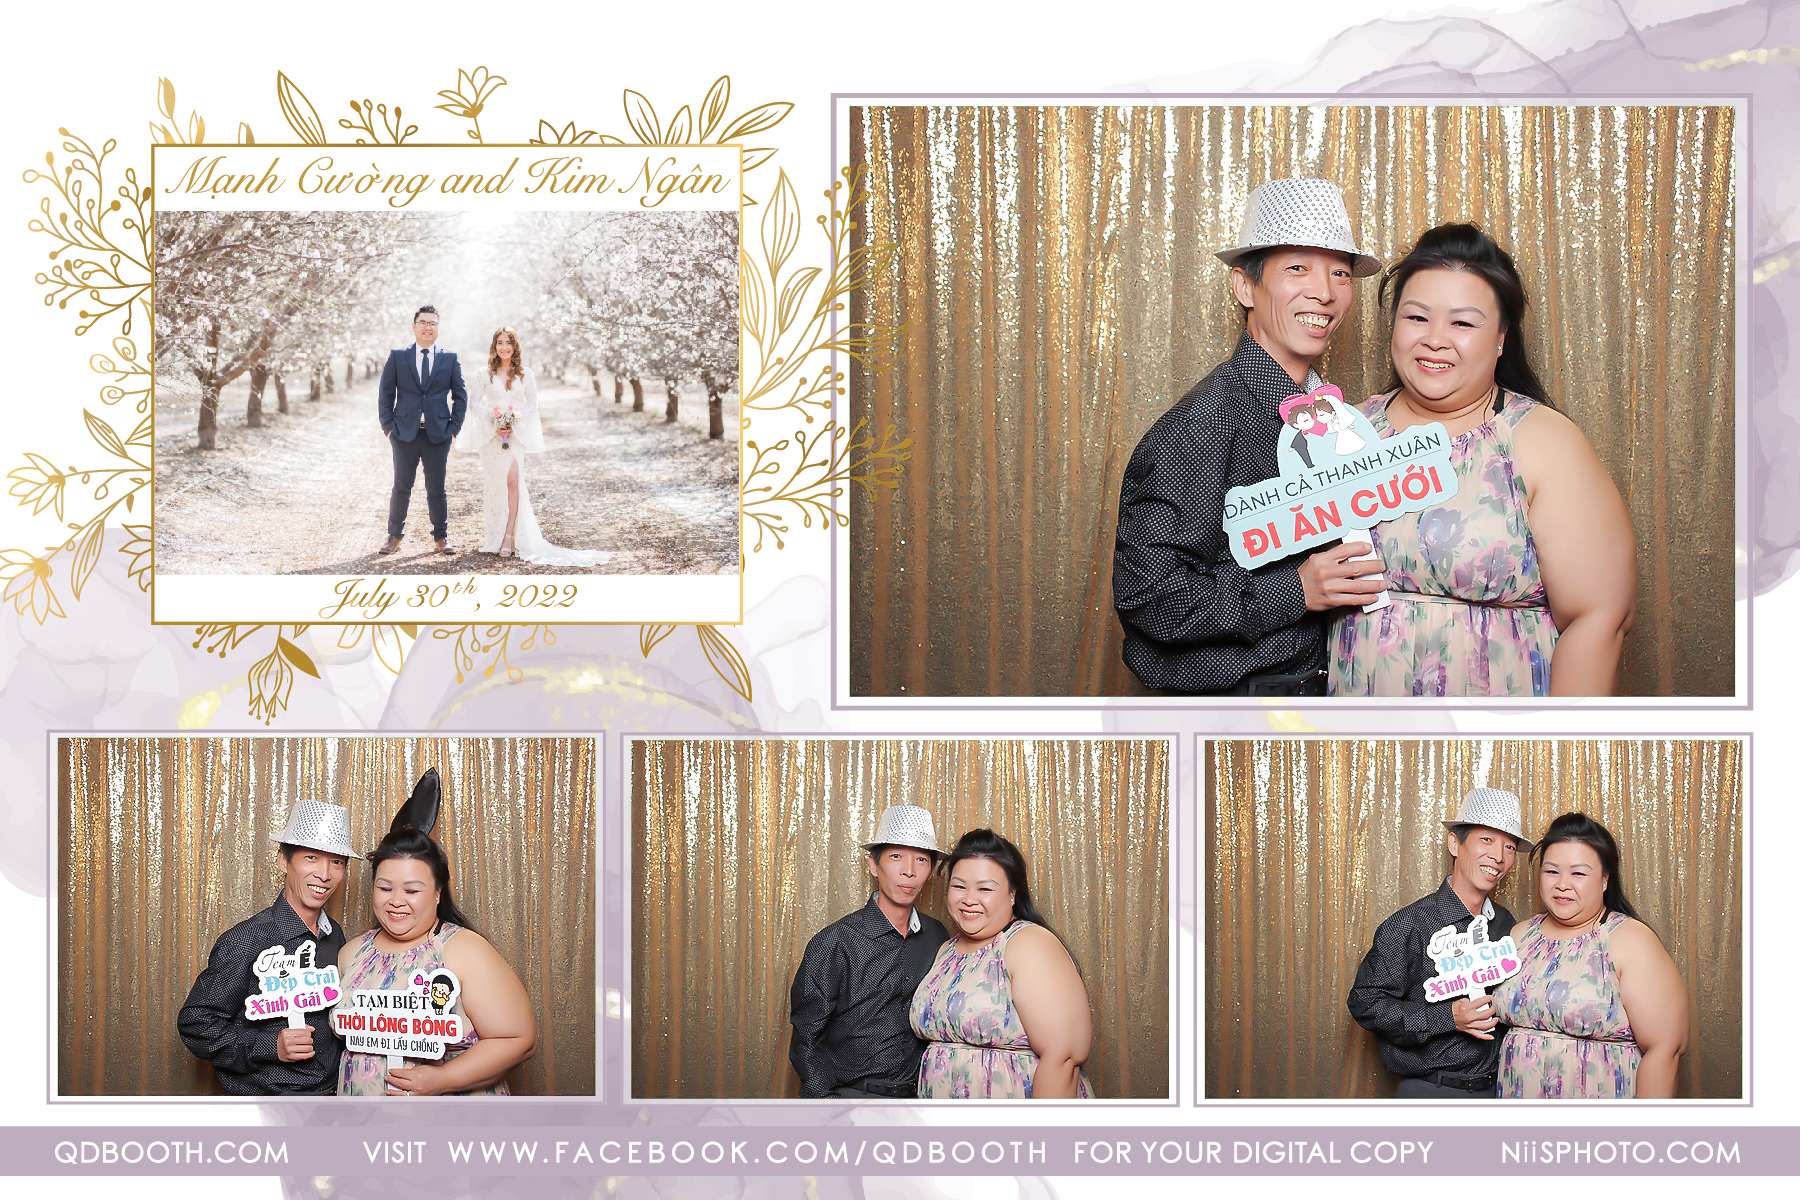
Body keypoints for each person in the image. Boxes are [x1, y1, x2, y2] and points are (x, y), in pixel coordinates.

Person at [1328, 223, 1636, 696]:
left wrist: (1563, 740)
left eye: (1463, 323)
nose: (1434, 339)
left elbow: (1599, 618)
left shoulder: (1541, 440)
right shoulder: (1345, 431)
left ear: (1500, 338)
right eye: (1417, 317)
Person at [1113, 177, 1389, 695]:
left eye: (1340, 273)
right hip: (1238, 707)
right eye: (1298, 268)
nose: (1325, 292)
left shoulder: (1334, 416)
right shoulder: (1204, 422)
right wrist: (1295, 590)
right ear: (1245, 288)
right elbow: (1149, 595)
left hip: (1319, 691)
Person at [336, 776, 536, 1096]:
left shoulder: (462, 949)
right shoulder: (351, 953)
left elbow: (518, 1039)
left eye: (412, 890)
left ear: (438, 893)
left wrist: (442, 1079)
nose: (396, 901)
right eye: (385, 888)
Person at [1347, 787, 1528, 1097]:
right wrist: (1447, 1017)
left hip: (1496, 1090)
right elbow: (1366, 1002)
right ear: (1455, 844)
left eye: (1509, 846)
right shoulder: (1409, 923)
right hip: (1432, 1090)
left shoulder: (1505, 923)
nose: (1499, 856)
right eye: (1487, 840)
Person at [1493, 813, 1688, 1098]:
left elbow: (1665, 1049)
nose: (1562, 884)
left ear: (1605, 880)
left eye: (1579, 873)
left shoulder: (1629, 939)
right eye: (1551, 871)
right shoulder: (1521, 934)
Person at [177, 799, 357, 1095]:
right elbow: (196, 1024)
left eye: (336, 862)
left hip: (330, 1097)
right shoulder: (246, 940)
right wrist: (270, 1046)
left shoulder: (333, 934)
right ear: (283, 861)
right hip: (270, 1101)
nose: (325, 874)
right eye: (311, 857)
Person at [910, 829, 1094, 1098]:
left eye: (985, 888)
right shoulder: (946, 950)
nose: (969, 899)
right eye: (959, 886)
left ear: (1012, 894)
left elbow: (1063, 1056)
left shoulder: (1028, 942)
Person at [789, 805, 949, 1097]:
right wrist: (827, 1106)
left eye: (921, 860)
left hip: (922, 1098)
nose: (909, 871)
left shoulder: (937, 936)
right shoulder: (836, 941)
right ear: (873, 865)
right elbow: (807, 1037)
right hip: (853, 1098)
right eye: (896, 856)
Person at [460, 327, 612, 565]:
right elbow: (475, 404)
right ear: (494, 346)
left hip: (515, 436)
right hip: (492, 437)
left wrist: (516, 418)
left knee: (513, 481)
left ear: (515, 346)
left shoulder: (525, 374)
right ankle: (495, 535)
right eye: (500, 342)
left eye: (508, 342)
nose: (504, 347)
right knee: (496, 485)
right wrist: (493, 423)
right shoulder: (484, 374)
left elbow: (532, 404)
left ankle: (509, 536)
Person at [377, 304, 468, 557]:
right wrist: (388, 428)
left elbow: (460, 396)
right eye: (423, 322)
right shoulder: (398, 356)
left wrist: (454, 428)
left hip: (438, 434)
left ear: (438, 327)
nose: (428, 327)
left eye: (433, 323)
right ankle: (394, 536)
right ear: (414, 326)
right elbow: (386, 393)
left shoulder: (450, 358)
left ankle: (441, 536)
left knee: (437, 488)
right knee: (401, 487)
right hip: (404, 433)